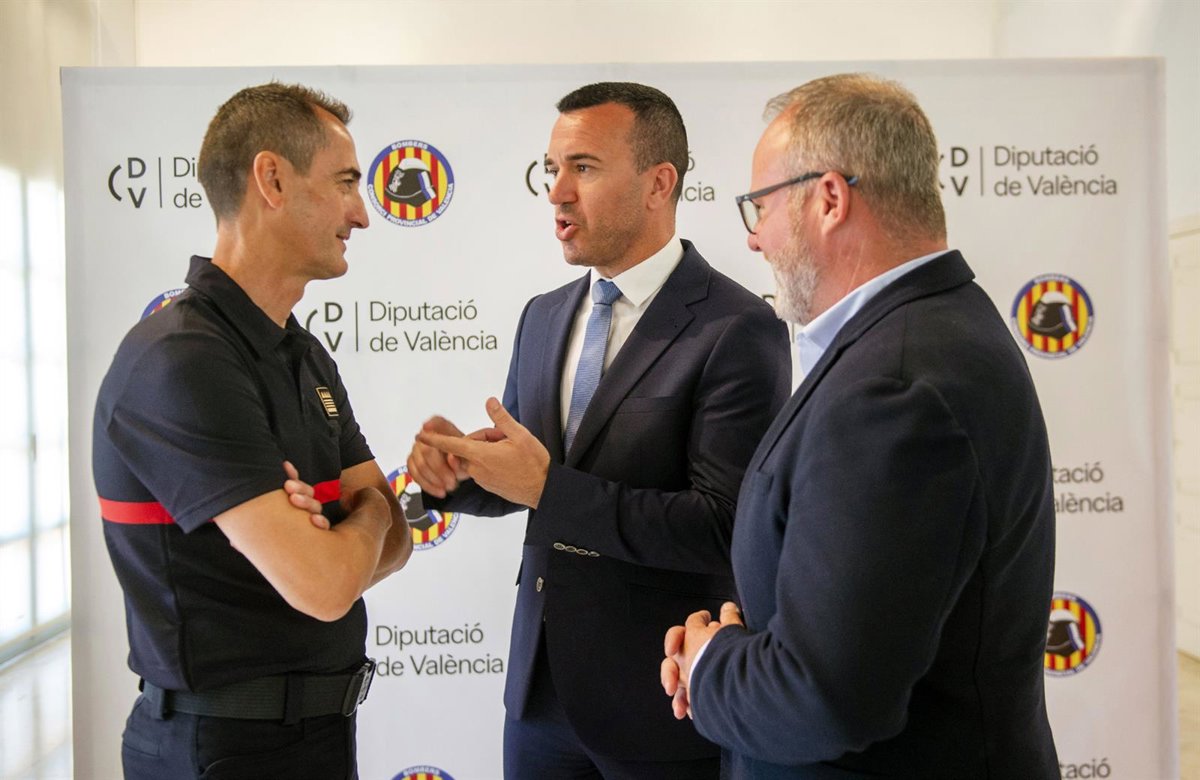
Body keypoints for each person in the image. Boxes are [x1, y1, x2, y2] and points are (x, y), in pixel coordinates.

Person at [660, 73, 1059, 779]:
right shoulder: (935, 327)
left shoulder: (892, 387)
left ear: (829, 199)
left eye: (760, 207)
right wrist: (737, 654)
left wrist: (712, 665)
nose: (753, 240)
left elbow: (823, 697)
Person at [407, 82, 791, 779]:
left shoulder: (737, 328)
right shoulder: (542, 315)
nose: (557, 192)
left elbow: (723, 526)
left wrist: (546, 488)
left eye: (582, 168)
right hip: (538, 699)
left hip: (662, 706)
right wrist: (457, 475)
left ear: (658, 183)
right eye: (552, 169)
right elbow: (528, 477)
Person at [92, 82, 412, 780]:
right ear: (272, 179)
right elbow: (326, 583)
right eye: (345, 183)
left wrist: (350, 526)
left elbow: (397, 539)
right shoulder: (181, 358)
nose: (362, 213)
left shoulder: (303, 352)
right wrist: (362, 514)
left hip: (317, 737)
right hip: (220, 749)